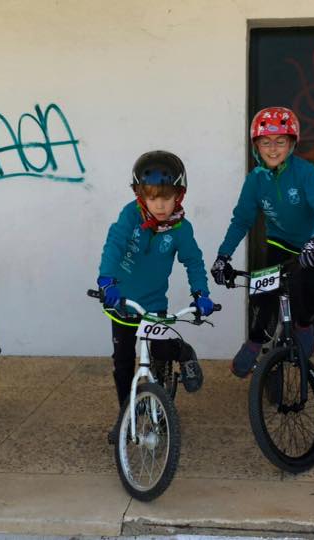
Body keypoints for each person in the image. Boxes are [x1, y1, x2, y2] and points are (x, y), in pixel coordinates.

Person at [210, 106, 314, 378]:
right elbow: (241, 220)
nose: (272, 149)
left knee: (309, 300)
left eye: (280, 142)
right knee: (264, 296)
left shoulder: (305, 172)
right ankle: (256, 341)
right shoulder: (255, 181)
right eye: (265, 142)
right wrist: (224, 256)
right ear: (256, 145)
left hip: (310, 246)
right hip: (279, 243)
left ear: (292, 144)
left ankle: (304, 327)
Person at [96, 150, 214, 443]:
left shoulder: (181, 229)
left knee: (160, 353)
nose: (160, 205)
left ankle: (182, 353)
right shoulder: (130, 216)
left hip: (153, 304)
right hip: (121, 301)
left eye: (167, 197)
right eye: (152, 197)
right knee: (122, 361)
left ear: (179, 195)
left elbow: (194, 262)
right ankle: (126, 416)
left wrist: (201, 293)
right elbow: (114, 245)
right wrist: (107, 282)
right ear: (140, 196)